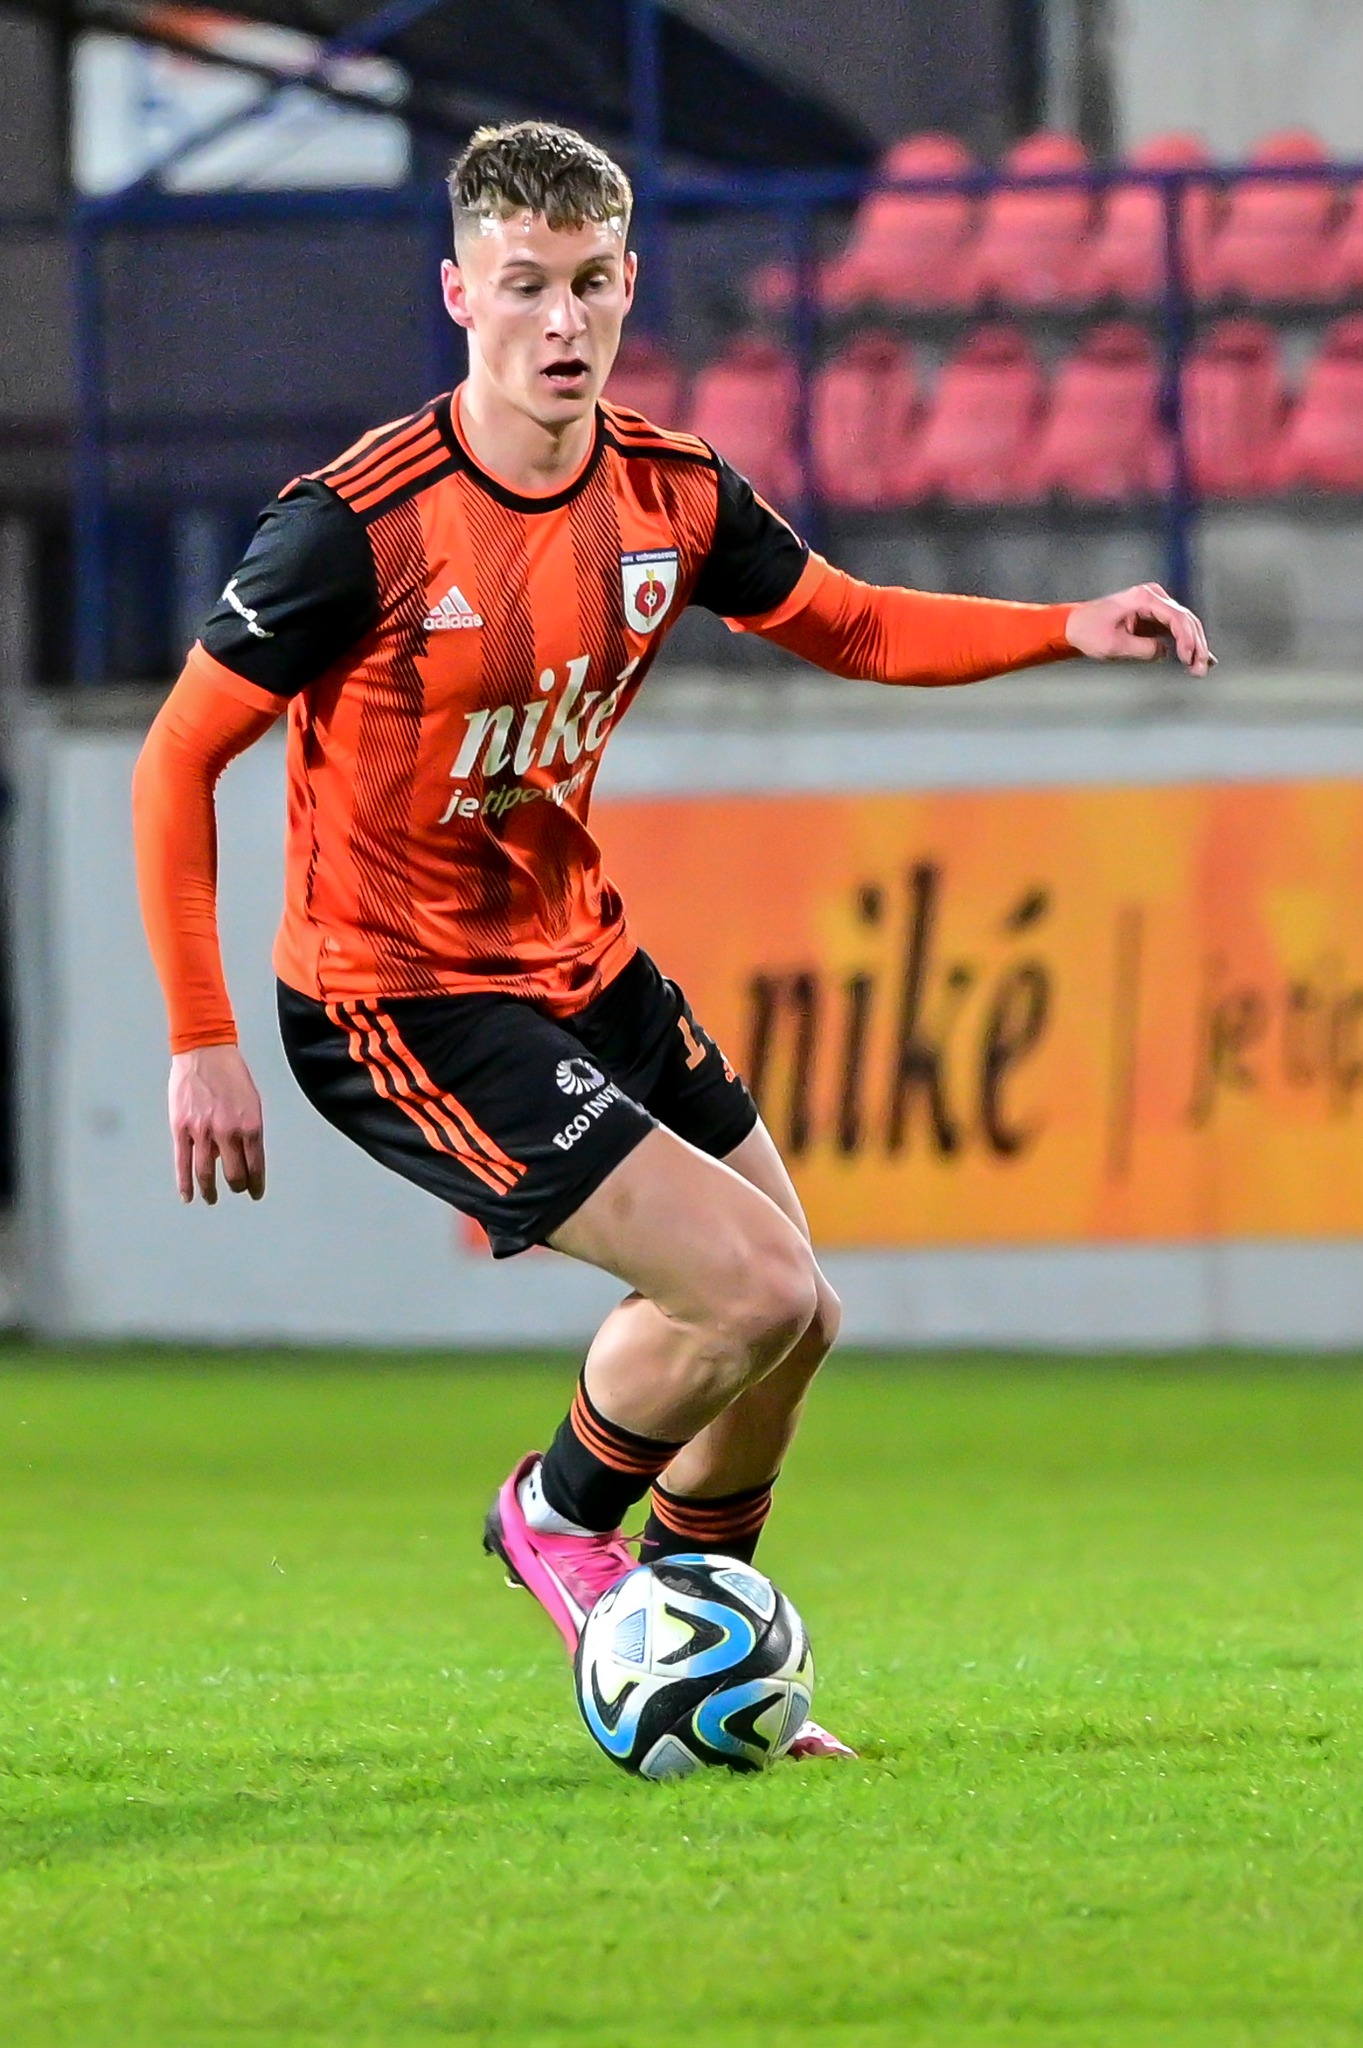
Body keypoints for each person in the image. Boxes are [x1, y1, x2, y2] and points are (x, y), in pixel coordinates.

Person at [133, 120, 1213, 1764]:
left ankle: (700, 1654)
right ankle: (555, 1515)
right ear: (458, 295)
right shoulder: (357, 526)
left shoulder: (673, 492)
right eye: (523, 287)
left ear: (630, 283)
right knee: (749, 1284)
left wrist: (1066, 625)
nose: (560, 322)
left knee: (796, 1321)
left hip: (581, 959)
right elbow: (176, 759)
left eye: (588, 284)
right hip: (395, 998)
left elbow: (850, 622)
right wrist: (201, 1036)